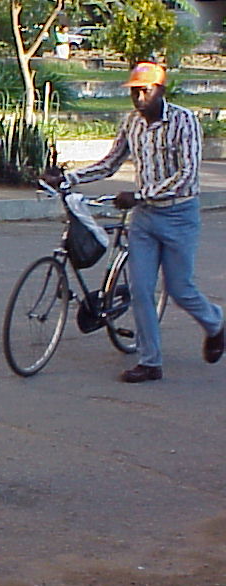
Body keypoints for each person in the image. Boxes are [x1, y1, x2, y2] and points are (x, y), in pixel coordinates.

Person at [51, 61, 224, 382]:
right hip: (144, 219)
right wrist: (67, 178)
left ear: (161, 90)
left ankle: (215, 324)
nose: (139, 98)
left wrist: (141, 194)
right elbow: (110, 163)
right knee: (141, 290)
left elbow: (187, 175)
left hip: (179, 214)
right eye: (134, 92)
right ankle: (150, 361)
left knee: (179, 288)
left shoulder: (184, 121)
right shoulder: (132, 122)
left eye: (145, 91)